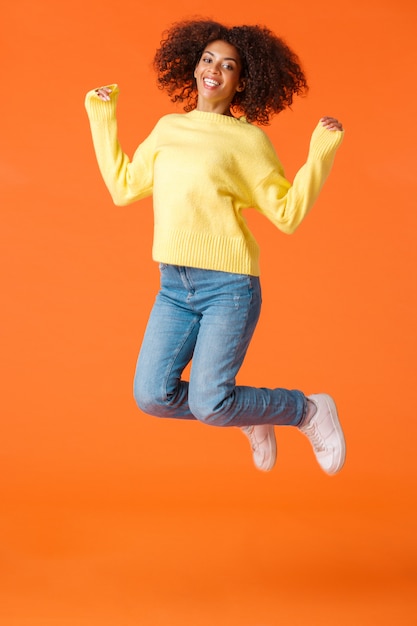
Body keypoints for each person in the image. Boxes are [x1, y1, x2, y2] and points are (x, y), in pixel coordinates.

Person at [85, 18, 346, 475]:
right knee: (151, 395)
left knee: (210, 403)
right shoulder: (168, 128)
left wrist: (319, 153)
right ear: (193, 67)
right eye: (208, 60)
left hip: (229, 287)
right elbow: (124, 187)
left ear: (241, 81)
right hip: (173, 286)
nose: (214, 71)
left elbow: (286, 213)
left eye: (227, 66)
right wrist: (102, 117)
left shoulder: (248, 141)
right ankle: (246, 412)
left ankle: (307, 410)